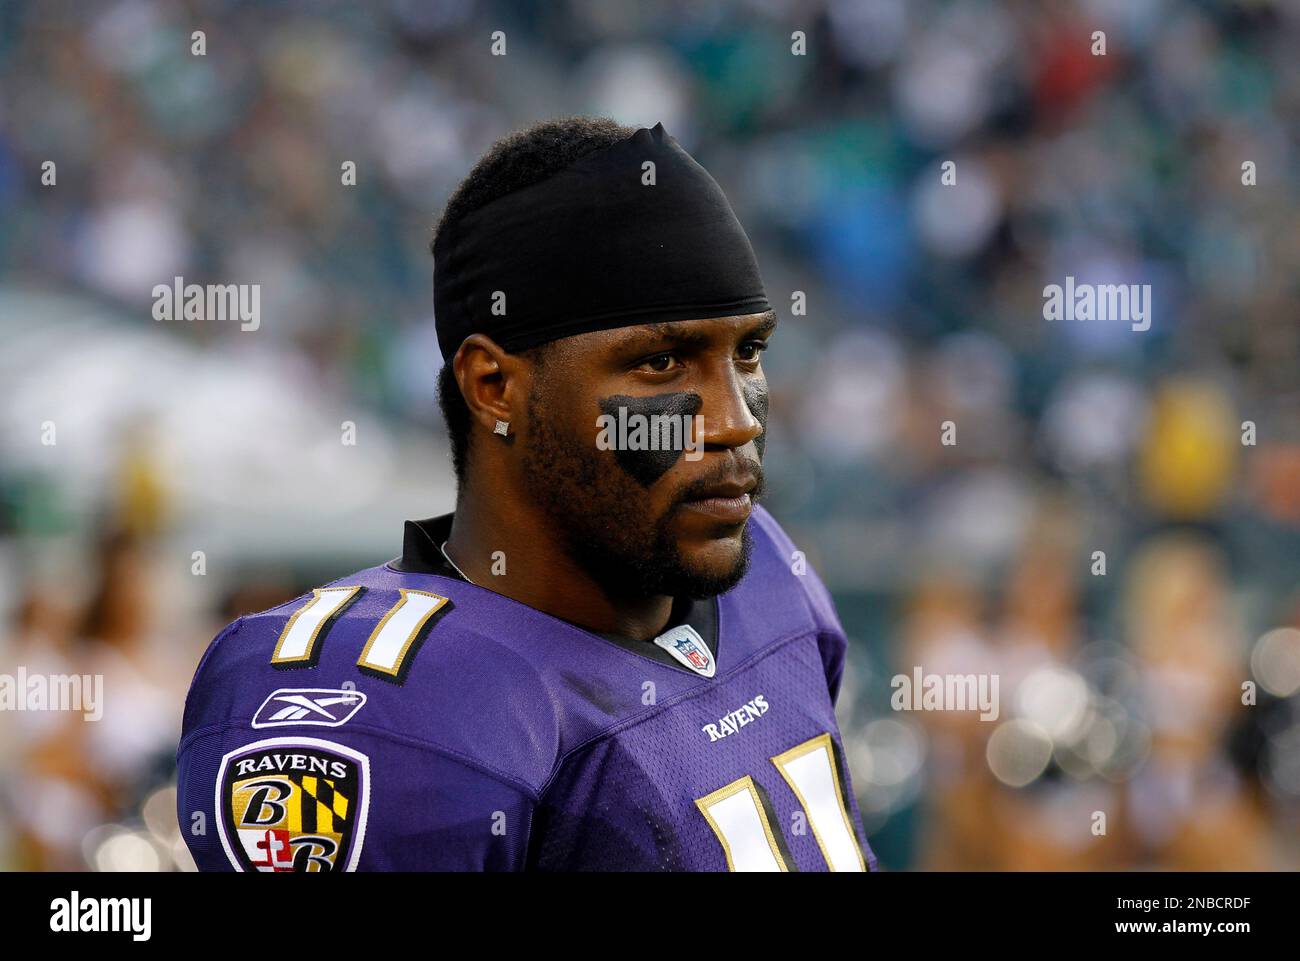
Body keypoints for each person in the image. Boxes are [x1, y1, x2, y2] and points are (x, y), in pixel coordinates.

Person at [177, 117, 876, 871]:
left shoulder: (764, 570)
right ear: (495, 386)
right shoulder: (391, 700)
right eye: (663, 363)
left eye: (748, 352)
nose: (735, 420)